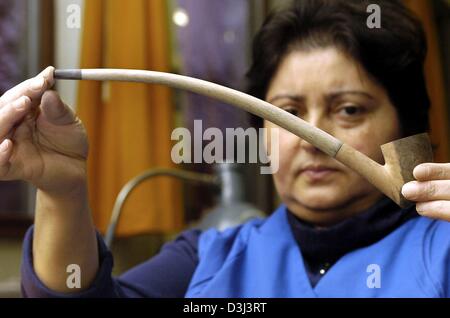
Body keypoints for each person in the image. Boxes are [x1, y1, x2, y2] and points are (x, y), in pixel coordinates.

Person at [0, 0, 447, 297]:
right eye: (288, 113)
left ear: (406, 128)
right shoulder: (208, 258)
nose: (313, 139)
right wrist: (62, 192)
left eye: (349, 109)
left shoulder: (440, 248)